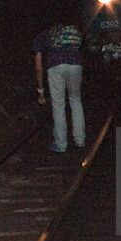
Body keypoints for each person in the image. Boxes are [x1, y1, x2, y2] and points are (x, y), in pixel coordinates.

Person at [33, 22, 86, 153]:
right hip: (75, 65)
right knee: (75, 101)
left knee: (58, 105)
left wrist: (41, 92)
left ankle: (61, 145)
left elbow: (38, 68)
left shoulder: (42, 36)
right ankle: (80, 140)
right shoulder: (70, 34)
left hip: (56, 66)